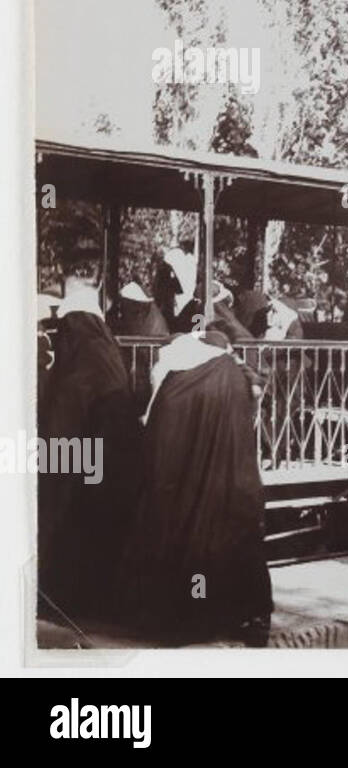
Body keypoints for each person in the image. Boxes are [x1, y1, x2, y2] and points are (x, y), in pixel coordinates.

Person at [116, 329, 272, 645]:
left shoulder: (175, 379)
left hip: (185, 488)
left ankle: (189, 616)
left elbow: (160, 442)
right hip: (233, 482)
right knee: (238, 541)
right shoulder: (229, 371)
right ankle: (253, 616)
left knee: (188, 547)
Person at [38, 275, 143, 623]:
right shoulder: (107, 357)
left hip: (82, 468)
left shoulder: (78, 369)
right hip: (112, 467)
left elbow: (61, 432)